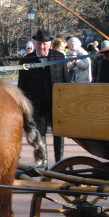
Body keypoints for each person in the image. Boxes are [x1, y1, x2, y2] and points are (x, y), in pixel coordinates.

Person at [17, 29, 71, 164]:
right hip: (37, 102)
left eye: (44, 44)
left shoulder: (58, 56)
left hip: (56, 102)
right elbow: (22, 86)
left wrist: (66, 101)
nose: (41, 47)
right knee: (40, 132)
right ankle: (44, 163)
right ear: (35, 44)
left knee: (58, 132)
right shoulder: (26, 60)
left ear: (50, 44)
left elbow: (66, 80)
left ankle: (60, 163)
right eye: (39, 44)